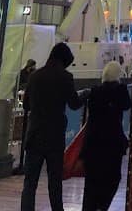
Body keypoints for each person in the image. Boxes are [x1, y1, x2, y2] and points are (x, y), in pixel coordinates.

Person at [20, 42, 84, 211]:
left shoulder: (34, 76)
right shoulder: (65, 77)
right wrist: (86, 94)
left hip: (34, 135)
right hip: (54, 137)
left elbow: (26, 105)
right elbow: (74, 104)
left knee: (30, 183)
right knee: (54, 182)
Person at [81, 60, 131, 211]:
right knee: (113, 178)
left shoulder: (95, 91)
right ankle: (102, 206)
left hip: (93, 143)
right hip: (112, 143)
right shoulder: (120, 91)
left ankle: (90, 208)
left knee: (91, 183)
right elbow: (127, 105)